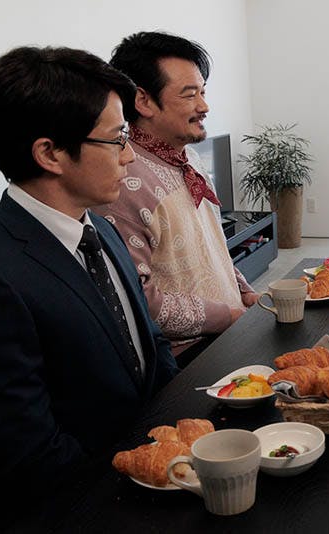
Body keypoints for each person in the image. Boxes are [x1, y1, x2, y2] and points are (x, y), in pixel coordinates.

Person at [0, 46, 177, 523]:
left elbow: (151, 344)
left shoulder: (99, 228)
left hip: (150, 471)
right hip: (79, 509)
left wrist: (183, 440)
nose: (130, 155)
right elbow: (30, 458)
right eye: (118, 138)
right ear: (50, 153)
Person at [93, 31, 257, 362]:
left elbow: (212, 247)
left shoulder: (189, 158)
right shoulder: (122, 180)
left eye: (203, 92)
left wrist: (243, 291)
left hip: (231, 333)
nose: (204, 106)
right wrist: (227, 316)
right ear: (143, 101)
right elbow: (140, 300)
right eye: (189, 95)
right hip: (188, 357)